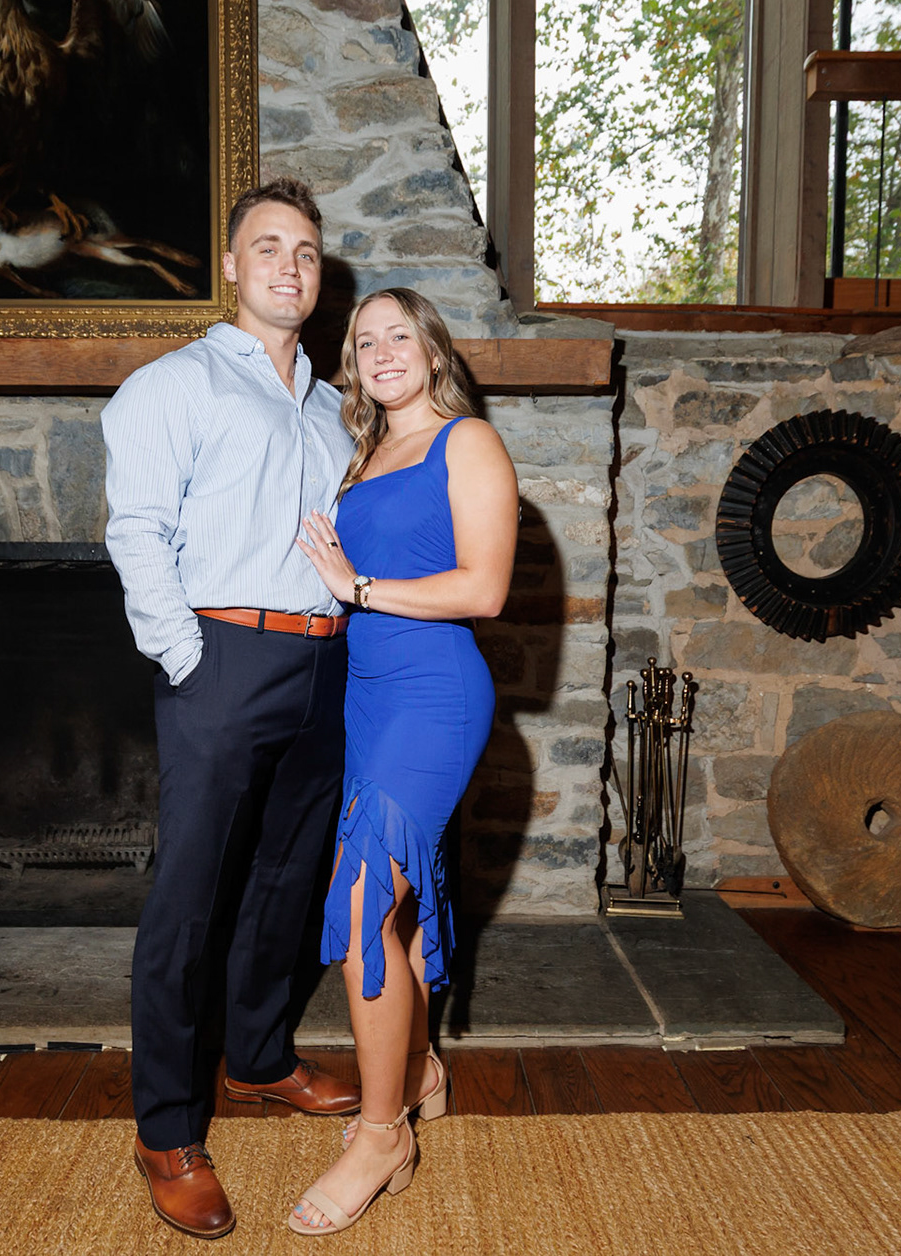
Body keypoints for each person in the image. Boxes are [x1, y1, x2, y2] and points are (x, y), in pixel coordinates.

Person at [101, 178, 363, 1241]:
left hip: (324, 662)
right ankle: (166, 1127)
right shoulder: (172, 385)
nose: (289, 267)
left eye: (305, 252)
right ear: (229, 266)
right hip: (223, 656)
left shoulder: (335, 407)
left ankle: (257, 1055)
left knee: (289, 878)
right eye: (268, 247)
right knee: (191, 898)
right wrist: (188, 658)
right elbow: (136, 530)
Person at [287, 287, 519, 1235]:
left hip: (434, 694)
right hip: (368, 696)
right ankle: (418, 1070)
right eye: (365, 339)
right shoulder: (364, 451)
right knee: (391, 904)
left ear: (431, 350)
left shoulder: (467, 442)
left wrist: (357, 585)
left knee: (359, 904)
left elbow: (485, 589)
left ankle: (381, 1136)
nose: (382, 351)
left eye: (399, 335)